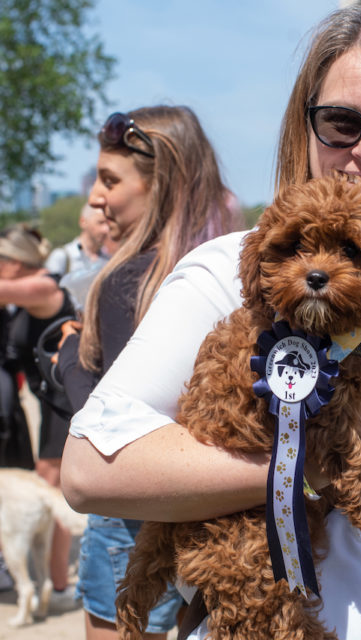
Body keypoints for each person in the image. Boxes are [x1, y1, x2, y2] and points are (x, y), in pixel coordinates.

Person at [62, 3, 361, 638]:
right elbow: (90, 469)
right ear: (307, 122)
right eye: (341, 121)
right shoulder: (227, 274)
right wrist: (312, 464)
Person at [55, 106, 239, 640]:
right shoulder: (220, 281)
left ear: (161, 186)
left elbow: (101, 424)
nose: (96, 196)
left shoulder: (127, 281)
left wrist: (69, 352)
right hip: (203, 517)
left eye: (110, 180)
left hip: (128, 525)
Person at [0, 224, 77, 605]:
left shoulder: (44, 286)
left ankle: (60, 585)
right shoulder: (29, 290)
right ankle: (57, 582)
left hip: (64, 403)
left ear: (16, 263)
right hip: (50, 401)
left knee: (52, 493)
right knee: (52, 493)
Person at [45, 201, 110, 278]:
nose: (106, 229)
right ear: (83, 222)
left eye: (109, 224)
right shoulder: (62, 256)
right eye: (100, 222)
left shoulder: (108, 260)